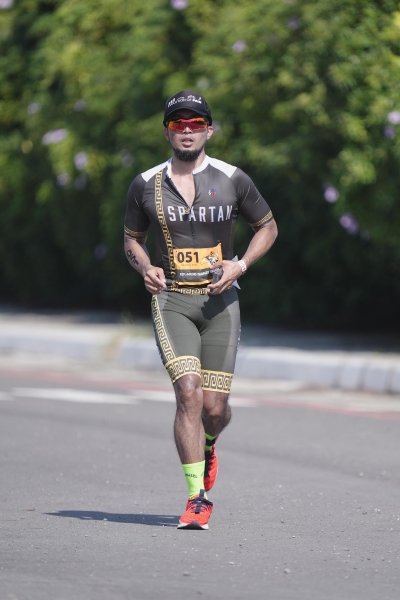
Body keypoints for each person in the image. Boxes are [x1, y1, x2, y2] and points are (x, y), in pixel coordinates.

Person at [124, 91, 278, 530]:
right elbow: (131, 239)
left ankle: (210, 444)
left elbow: (268, 227)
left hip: (220, 303)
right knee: (188, 392)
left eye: (195, 124)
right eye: (178, 124)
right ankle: (197, 497)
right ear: (167, 132)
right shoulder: (146, 183)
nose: (187, 131)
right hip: (172, 300)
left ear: (209, 129)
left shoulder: (233, 178)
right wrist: (146, 268)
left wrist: (240, 265)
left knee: (214, 409)